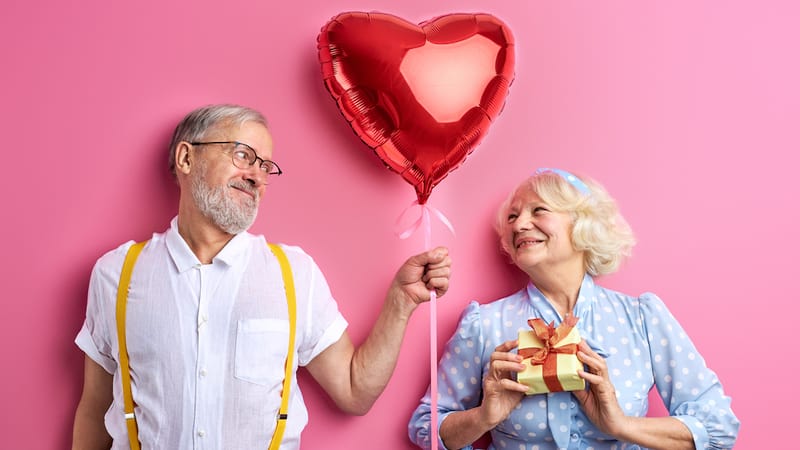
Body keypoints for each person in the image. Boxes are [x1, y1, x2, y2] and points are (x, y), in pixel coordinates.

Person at [72, 104, 452, 449]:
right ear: (187, 158)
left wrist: (401, 302)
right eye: (243, 155)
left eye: (266, 166)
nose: (257, 175)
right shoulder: (116, 274)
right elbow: (94, 409)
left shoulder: (293, 274)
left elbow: (354, 391)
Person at [409, 168, 739, 449]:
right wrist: (483, 418)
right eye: (513, 216)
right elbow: (426, 426)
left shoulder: (642, 317)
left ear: (583, 224)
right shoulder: (483, 324)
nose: (519, 224)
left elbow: (719, 426)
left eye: (538, 211)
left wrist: (622, 425)